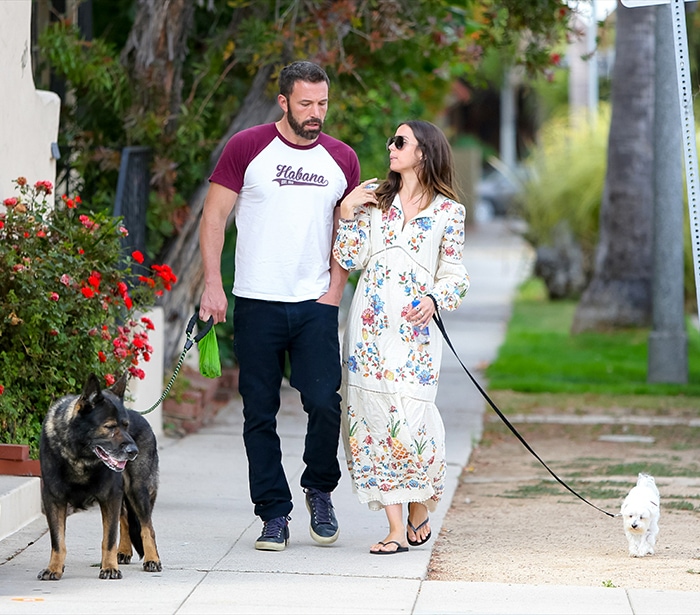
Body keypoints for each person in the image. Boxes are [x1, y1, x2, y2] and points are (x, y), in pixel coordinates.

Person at [198, 61, 360, 551]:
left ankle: (319, 488)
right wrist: (212, 284)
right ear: (284, 102)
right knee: (259, 413)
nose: (316, 113)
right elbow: (214, 217)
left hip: (315, 303)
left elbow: (347, 230)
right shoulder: (247, 147)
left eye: (323, 104)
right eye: (306, 103)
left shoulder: (342, 158)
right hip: (256, 301)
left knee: (325, 403)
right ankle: (272, 512)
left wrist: (334, 289)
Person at [332, 120, 470, 554]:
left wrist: (434, 298)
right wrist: (347, 212)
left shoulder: (449, 212)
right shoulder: (376, 202)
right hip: (369, 330)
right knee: (372, 418)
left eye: (400, 141)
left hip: (414, 337)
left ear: (424, 152)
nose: (390, 147)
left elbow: (456, 275)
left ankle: (419, 504)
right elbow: (349, 258)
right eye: (392, 140)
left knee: (411, 423)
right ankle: (394, 528)